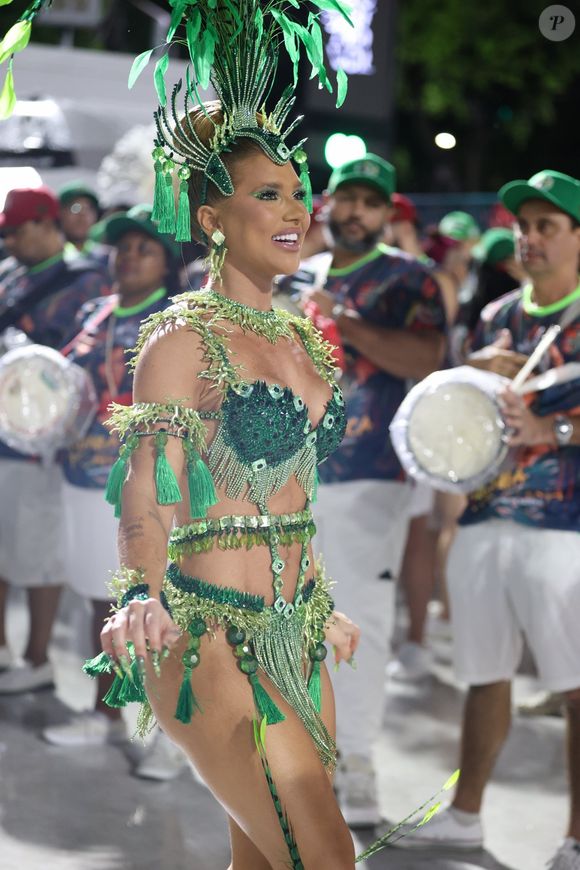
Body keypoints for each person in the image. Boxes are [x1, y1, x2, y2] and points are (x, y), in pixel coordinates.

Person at [73, 2, 375, 867]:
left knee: (263, 856)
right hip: (205, 633)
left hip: (299, 629)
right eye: (268, 194)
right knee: (324, 853)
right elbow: (146, 486)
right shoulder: (180, 337)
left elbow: (291, 494)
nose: (297, 210)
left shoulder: (303, 335)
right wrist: (138, 592)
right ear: (211, 217)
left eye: (298, 191)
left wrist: (320, 595)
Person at [397, 169, 580, 870]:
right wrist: (473, 369)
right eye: (523, 226)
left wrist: (546, 428)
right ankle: (466, 816)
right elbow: (458, 412)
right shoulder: (499, 314)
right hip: (483, 514)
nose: (528, 238)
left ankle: (575, 839)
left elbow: (543, 423)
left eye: (546, 227)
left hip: (564, 522)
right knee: (483, 673)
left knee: (574, 685)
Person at [289, 153, 447, 826]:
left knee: (359, 619)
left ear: (386, 213)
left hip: (370, 472)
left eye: (369, 203)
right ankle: (298, 758)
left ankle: (355, 761)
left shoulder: (410, 278)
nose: (354, 212)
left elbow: (426, 359)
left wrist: (340, 319)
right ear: (325, 204)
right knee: (288, 619)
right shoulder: (294, 273)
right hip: (289, 477)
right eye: (344, 199)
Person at [41, 205, 175, 754]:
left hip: (145, 484)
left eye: (144, 248)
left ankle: (166, 732)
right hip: (82, 474)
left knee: (153, 602)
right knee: (102, 600)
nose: (130, 257)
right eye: (123, 247)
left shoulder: (176, 320)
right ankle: (105, 713)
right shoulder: (95, 311)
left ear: (167, 261)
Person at [0, 186, 110, 693]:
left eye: (18, 231)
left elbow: (81, 372)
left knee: (40, 552)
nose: (12, 241)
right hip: (6, 429)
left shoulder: (87, 283)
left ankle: (38, 657)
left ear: (48, 224)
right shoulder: (9, 274)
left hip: (46, 442)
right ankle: (4, 650)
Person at [57, 181, 108, 264]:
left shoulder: (107, 258)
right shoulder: (48, 256)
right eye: (75, 208)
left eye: (89, 208)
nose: (83, 214)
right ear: (60, 213)